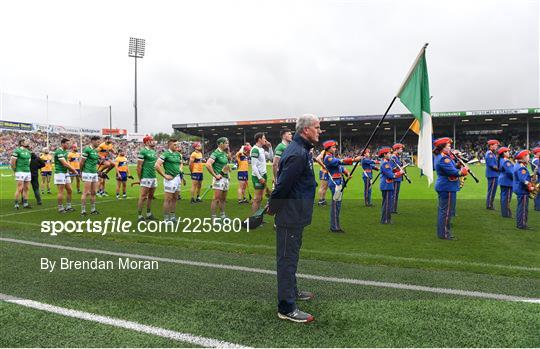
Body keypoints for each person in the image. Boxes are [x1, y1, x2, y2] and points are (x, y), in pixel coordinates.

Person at [266, 114, 321, 323]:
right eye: (317, 127)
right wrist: (273, 207)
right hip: (289, 216)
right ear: (305, 130)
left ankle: (293, 292)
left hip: (297, 214)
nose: (319, 131)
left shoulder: (303, 150)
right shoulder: (297, 153)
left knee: (292, 257)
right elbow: (283, 185)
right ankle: (286, 307)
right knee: (287, 261)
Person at [433, 137, 469, 240]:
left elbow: (452, 168)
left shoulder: (443, 156)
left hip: (446, 186)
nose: (450, 148)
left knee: (444, 211)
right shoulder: (444, 158)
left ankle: (443, 233)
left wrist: (458, 165)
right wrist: (463, 171)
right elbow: (453, 172)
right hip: (447, 186)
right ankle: (444, 234)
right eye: (448, 146)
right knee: (446, 212)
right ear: (442, 147)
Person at [322, 140, 361, 233]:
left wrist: (347, 173)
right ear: (328, 148)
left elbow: (340, 167)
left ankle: (336, 225)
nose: (335, 149)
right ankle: (334, 227)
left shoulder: (332, 157)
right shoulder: (328, 158)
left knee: (338, 205)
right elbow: (340, 161)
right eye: (333, 147)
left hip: (339, 182)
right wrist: (354, 160)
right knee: (335, 205)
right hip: (335, 184)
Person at [155, 139, 183, 222]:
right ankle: (166, 219)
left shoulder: (178, 154)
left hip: (178, 178)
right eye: (175, 145)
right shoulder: (165, 154)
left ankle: (173, 217)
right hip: (170, 180)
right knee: (168, 199)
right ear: (170, 145)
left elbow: (180, 163)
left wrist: (180, 169)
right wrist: (164, 175)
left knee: (175, 198)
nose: (177, 146)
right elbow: (157, 165)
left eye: (177, 144)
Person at [205, 137, 231, 221]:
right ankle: (213, 218)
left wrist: (228, 171)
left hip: (226, 178)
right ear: (221, 144)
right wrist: (215, 175)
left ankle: (222, 216)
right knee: (216, 199)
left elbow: (226, 164)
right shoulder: (215, 153)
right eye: (226, 143)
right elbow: (208, 164)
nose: (228, 144)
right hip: (219, 179)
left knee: (223, 199)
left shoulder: (223, 153)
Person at [378, 147, 404, 224]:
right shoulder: (385, 164)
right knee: (387, 204)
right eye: (389, 153)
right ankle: (385, 220)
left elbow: (390, 171)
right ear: (384, 154)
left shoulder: (386, 162)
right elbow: (390, 175)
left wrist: (396, 170)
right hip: (386, 185)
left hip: (387, 185)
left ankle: (386, 219)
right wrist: (400, 173)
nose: (390, 154)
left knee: (387, 203)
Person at [250, 133, 273, 213]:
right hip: (258, 177)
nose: (265, 140)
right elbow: (253, 166)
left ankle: (258, 218)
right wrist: (259, 177)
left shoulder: (262, 149)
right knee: (257, 198)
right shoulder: (255, 149)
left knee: (260, 198)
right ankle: (254, 218)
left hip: (263, 175)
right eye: (264, 138)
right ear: (259, 139)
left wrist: (270, 147)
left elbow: (271, 157)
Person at [53, 138, 78, 213]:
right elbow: (64, 163)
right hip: (59, 172)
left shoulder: (65, 152)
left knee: (69, 190)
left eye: (69, 143)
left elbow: (67, 162)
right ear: (62, 144)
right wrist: (73, 170)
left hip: (65, 172)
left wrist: (71, 169)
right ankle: (60, 208)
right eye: (67, 143)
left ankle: (68, 206)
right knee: (61, 191)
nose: (69, 145)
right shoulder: (58, 151)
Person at [136, 135, 158, 221]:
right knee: (143, 197)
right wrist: (140, 179)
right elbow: (138, 167)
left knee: (151, 196)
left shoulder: (153, 151)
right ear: (147, 142)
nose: (153, 141)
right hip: (146, 177)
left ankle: (148, 214)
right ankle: (139, 216)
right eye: (151, 140)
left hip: (153, 176)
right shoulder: (143, 151)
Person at [513, 150, 534, 229]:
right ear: (523, 157)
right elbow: (523, 180)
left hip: (519, 189)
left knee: (521, 207)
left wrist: (530, 176)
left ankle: (520, 223)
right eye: (528, 156)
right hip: (522, 190)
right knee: (523, 208)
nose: (529, 158)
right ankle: (522, 224)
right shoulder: (522, 167)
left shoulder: (518, 165)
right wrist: (530, 187)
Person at [80, 136, 101, 215]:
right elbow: (81, 162)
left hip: (94, 173)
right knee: (85, 192)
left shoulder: (95, 151)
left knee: (94, 192)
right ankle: (83, 211)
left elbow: (95, 162)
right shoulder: (87, 149)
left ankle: (93, 210)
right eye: (98, 142)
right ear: (93, 141)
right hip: (87, 172)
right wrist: (81, 172)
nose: (99, 143)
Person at [11, 139, 32, 209]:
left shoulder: (28, 152)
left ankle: (25, 203)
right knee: (20, 188)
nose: (28, 142)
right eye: (26, 141)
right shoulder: (17, 151)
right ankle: (16, 204)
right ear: (22, 143)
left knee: (27, 188)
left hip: (27, 171)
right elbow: (12, 162)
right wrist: (15, 171)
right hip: (20, 171)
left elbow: (29, 162)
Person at [497, 146, 514, 218]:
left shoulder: (501, 160)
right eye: (507, 151)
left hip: (504, 180)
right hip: (507, 181)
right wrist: (516, 178)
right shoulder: (506, 161)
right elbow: (510, 172)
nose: (509, 153)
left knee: (504, 197)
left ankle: (504, 213)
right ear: (503, 153)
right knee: (507, 198)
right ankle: (506, 213)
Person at [485, 139, 500, 210]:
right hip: (493, 174)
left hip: (493, 174)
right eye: (495, 145)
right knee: (491, 191)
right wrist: (500, 169)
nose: (496, 146)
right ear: (491, 146)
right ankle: (489, 205)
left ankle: (489, 204)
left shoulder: (491, 153)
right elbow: (492, 166)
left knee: (491, 190)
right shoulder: (490, 154)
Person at [390, 143, 405, 213]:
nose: (402, 150)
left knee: (395, 194)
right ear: (396, 149)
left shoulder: (397, 157)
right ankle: (392, 209)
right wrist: (400, 170)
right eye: (401, 148)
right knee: (394, 194)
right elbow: (392, 169)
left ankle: (393, 208)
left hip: (398, 177)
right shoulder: (393, 157)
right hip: (396, 177)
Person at [532, 147, 540, 211]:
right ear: (537, 153)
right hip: (537, 178)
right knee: (537, 193)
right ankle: (537, 207)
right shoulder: (535, 160)